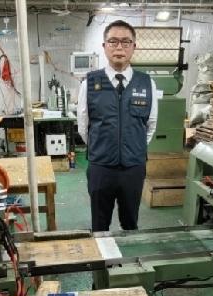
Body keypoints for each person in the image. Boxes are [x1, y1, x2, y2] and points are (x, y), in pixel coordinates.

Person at [77, 20, 158, 232]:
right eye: (113, 41)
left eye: (125, 42)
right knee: (99, 224)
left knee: (130, 223)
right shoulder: (89, 83)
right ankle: (102, 253)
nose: (119, 47)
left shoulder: (147, 83)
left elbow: (150, 125)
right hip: (101, 167)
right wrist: (103, 148)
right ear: (104, 46)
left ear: (134, 46)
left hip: (133, 168)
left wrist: (132, 147)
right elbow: (83, 126)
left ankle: (129, 253)